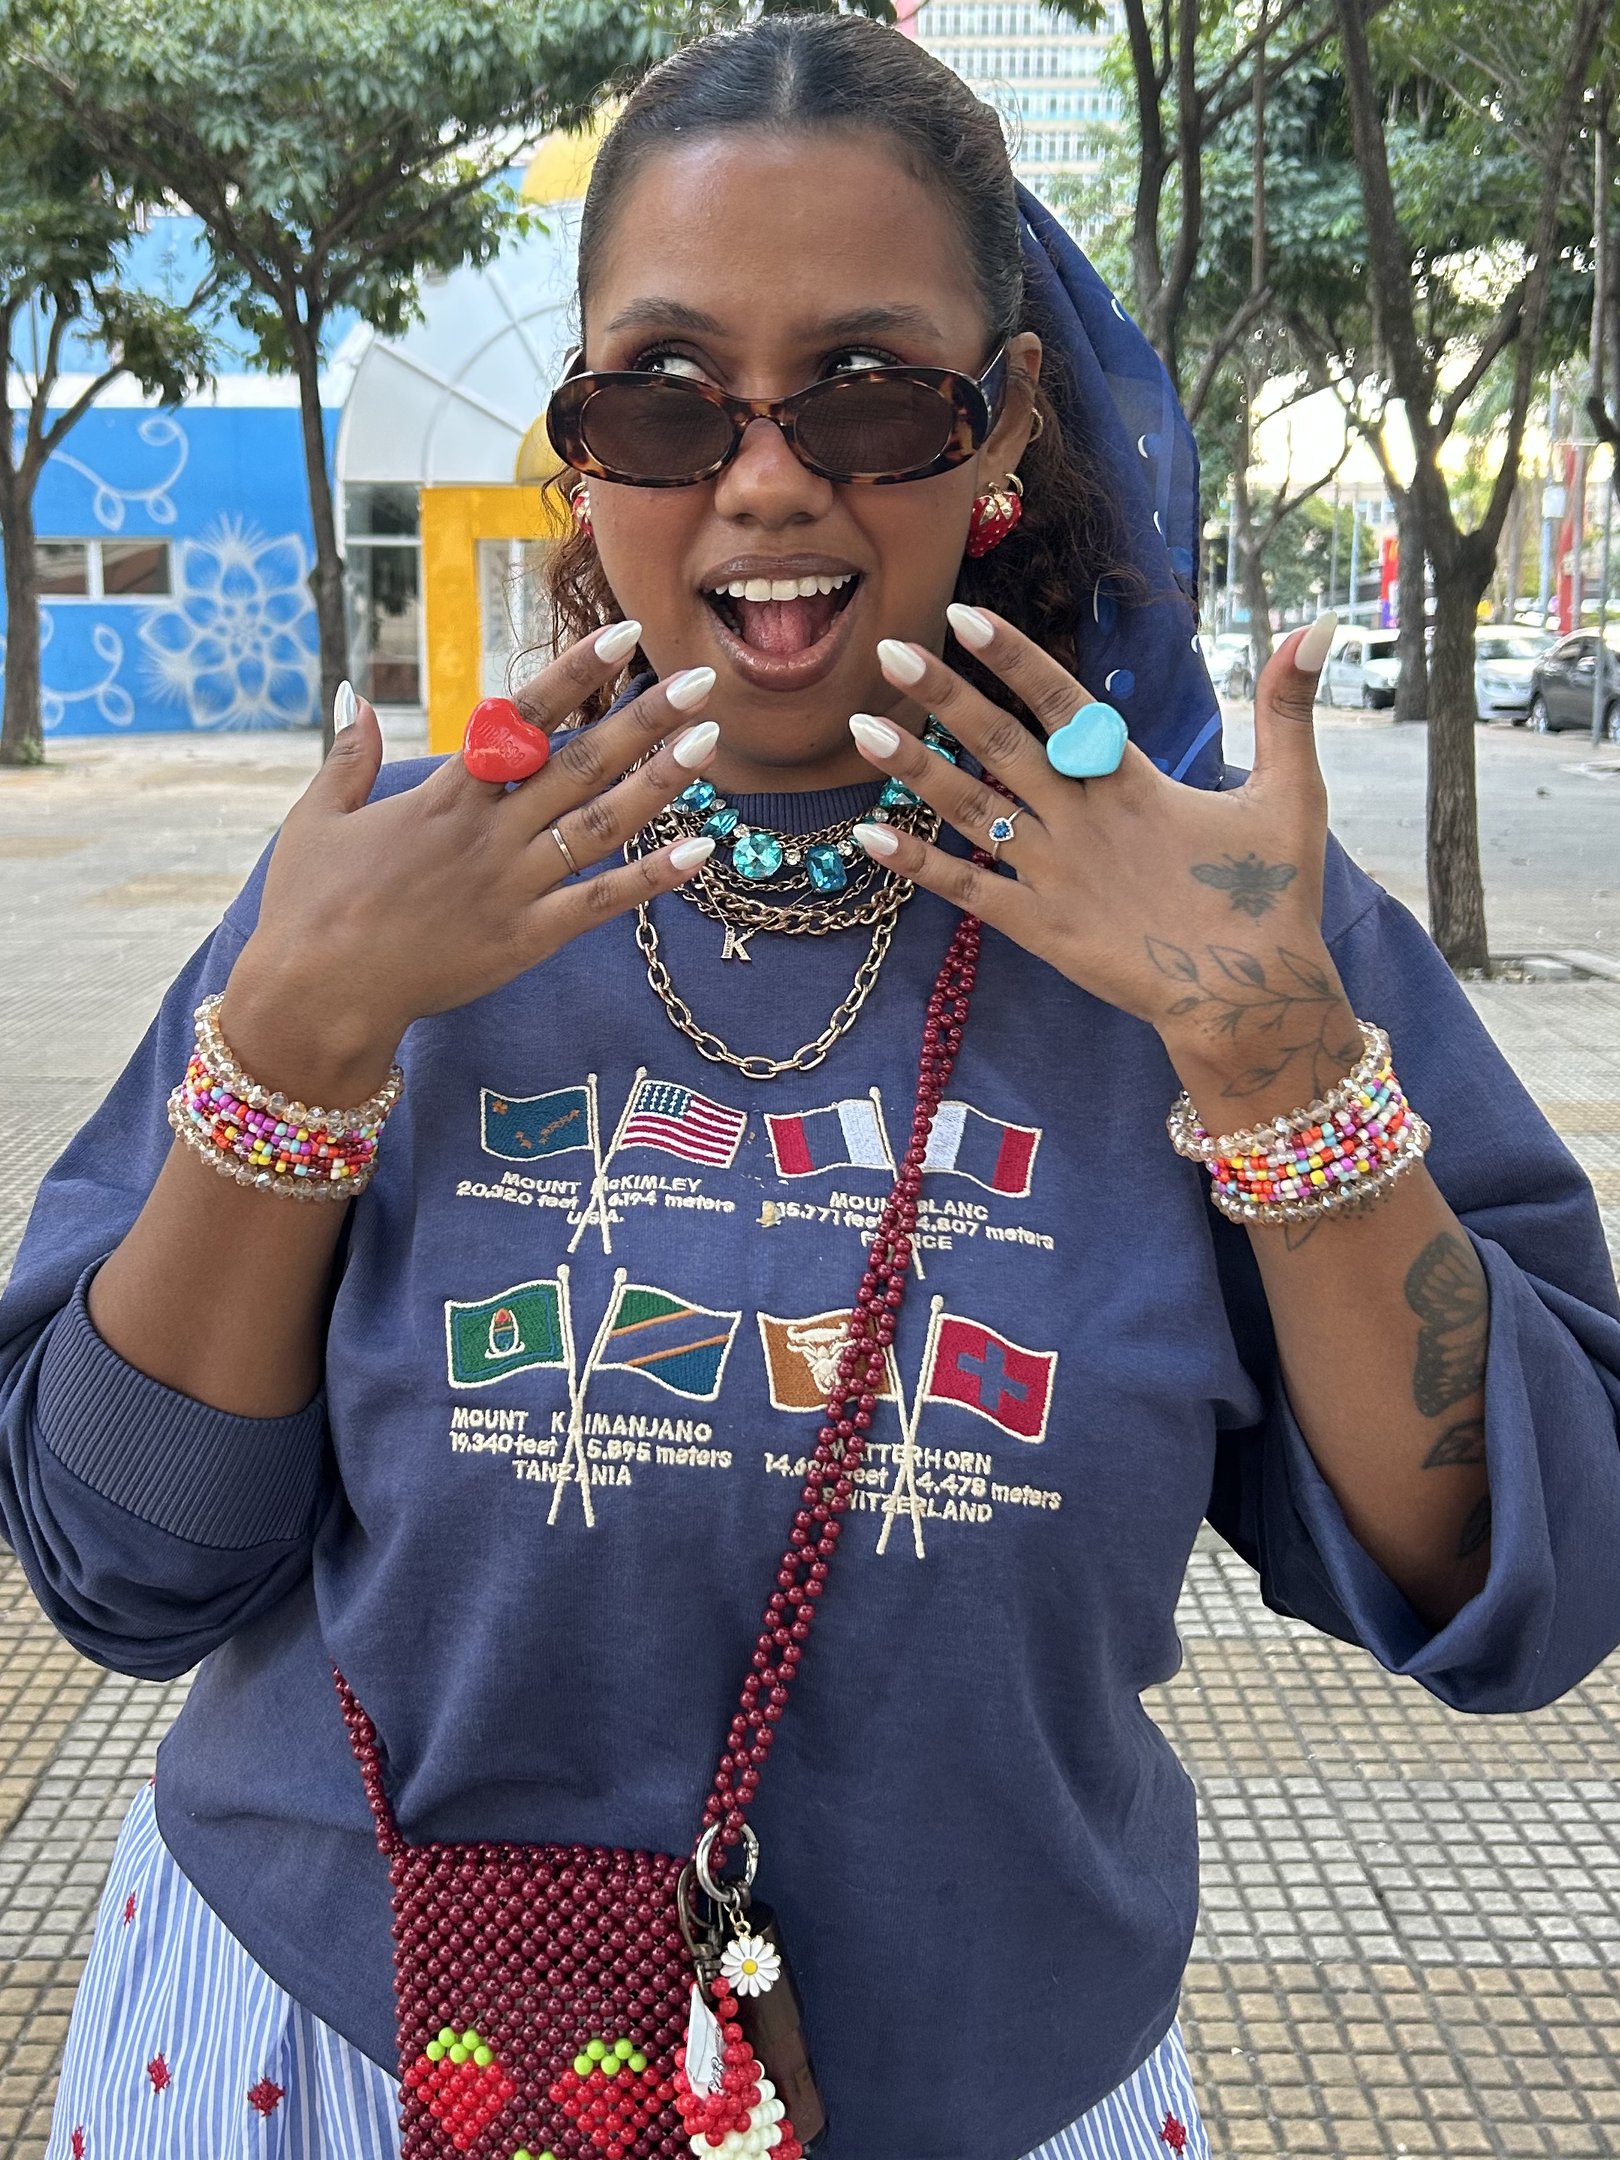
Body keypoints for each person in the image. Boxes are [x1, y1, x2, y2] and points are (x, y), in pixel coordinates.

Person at [5, 17, 1619, 2160]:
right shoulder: (378, 905)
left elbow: (1515, 1583)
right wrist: (292, 1054)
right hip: (324, 2041)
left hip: (987, 2075)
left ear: (1004, 423)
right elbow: (120, 1563)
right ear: (582, 443)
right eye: (665, 400)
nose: (766, 481)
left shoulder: (1219, 916)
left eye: (868, 394)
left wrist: (1274, 1067)